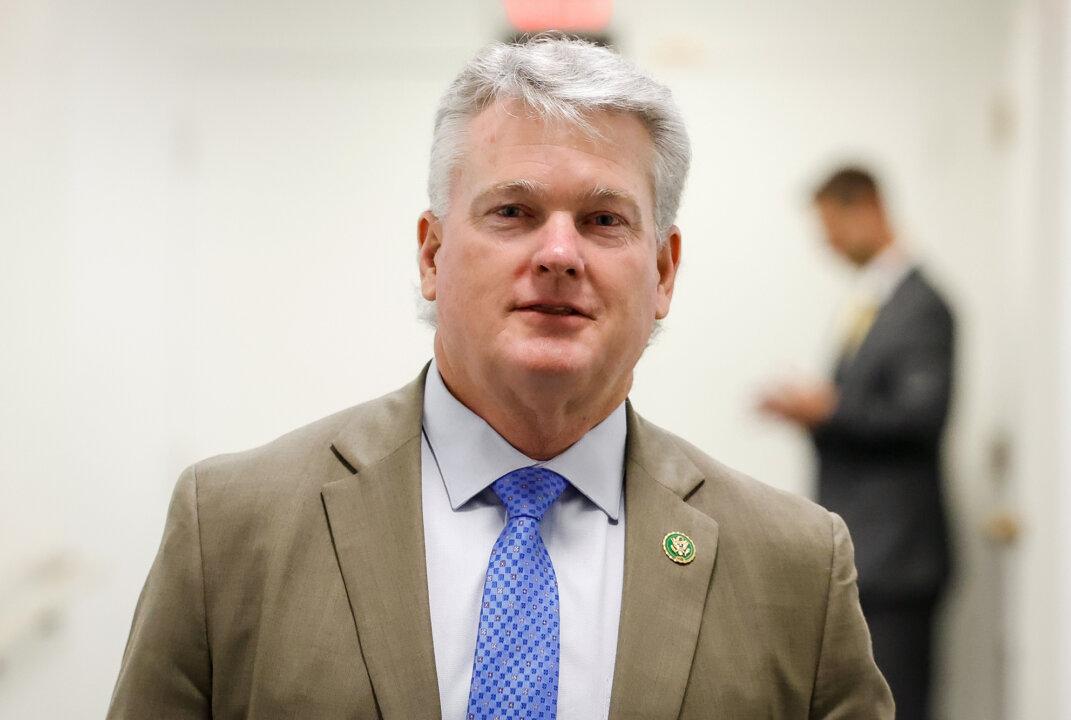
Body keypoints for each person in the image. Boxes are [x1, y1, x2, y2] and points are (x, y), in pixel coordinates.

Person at [108, 39, 893, 719]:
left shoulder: (796, 569)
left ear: (662, 272)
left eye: (604, 219)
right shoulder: (234, 531)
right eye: (513, 212)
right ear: (430, 255)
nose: (558, 253)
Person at [759, 167, 954, 720]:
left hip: (899, 557)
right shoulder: (874, 301)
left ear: (866, 208)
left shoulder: (923, 305)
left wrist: (828, 408)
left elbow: (921, 417)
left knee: (897, 705)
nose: (828, 243)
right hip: (868, 549)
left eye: (831, 226)